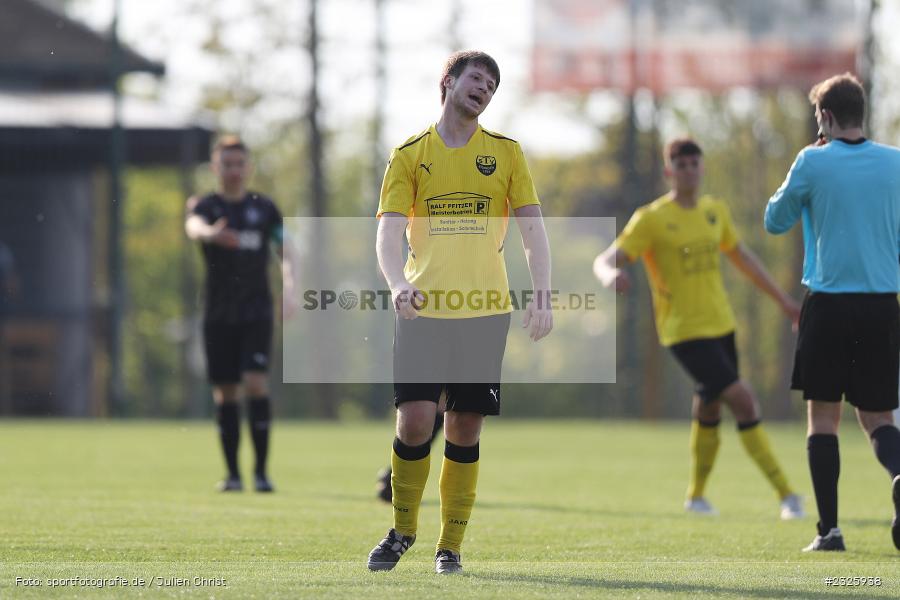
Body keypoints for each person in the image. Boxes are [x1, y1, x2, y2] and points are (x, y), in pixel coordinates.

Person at [366, 50, 553, 574]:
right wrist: (397, 283)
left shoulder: (507, 154)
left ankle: (449, 547)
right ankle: (402, 531)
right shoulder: (408, 153)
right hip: (423, 310)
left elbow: (534, 231)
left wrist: (542, 293)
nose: (485, 89)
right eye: (477, 78)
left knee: (464, 428)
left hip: (484, 311)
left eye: (493, 85)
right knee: (415, 421)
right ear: (448, 82)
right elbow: (387, 230)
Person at [594, 138, 805, 519]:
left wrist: (785, 302)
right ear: (669, 171)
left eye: (695, 163)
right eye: (681, 164)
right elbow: (606, 258)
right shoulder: (651, 218)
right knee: (742, 399)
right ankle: (787, 495)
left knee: (709, 406)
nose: (689, 170)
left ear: (703, 168)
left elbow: (743, 259)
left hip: (722, 325)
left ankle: (696, 497)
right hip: (683, 332)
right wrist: (610, 274)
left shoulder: (714, 211)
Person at [765, 72, 900, 552]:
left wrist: (809, 170)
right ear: (861, 113)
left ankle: (830, 531)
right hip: (883, 306)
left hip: (829, 305)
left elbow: (774, 219)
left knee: (823, 419)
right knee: (880, 419)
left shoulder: (812, 161)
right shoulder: (895, 163)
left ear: (823, 116)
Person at [185, 136, 295, 493]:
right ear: (215, 168)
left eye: (239, 164)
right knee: (226, 392)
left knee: (255, 383)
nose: (233, 170)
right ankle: (233, 475)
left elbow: (285, 250)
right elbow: (193, 226)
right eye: (226, 164)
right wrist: (210, 234)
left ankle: (262, 473)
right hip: (218, 314)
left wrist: (291, 289)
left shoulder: (264, 209)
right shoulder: (207, 206)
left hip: (256, 311)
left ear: (248, 168)